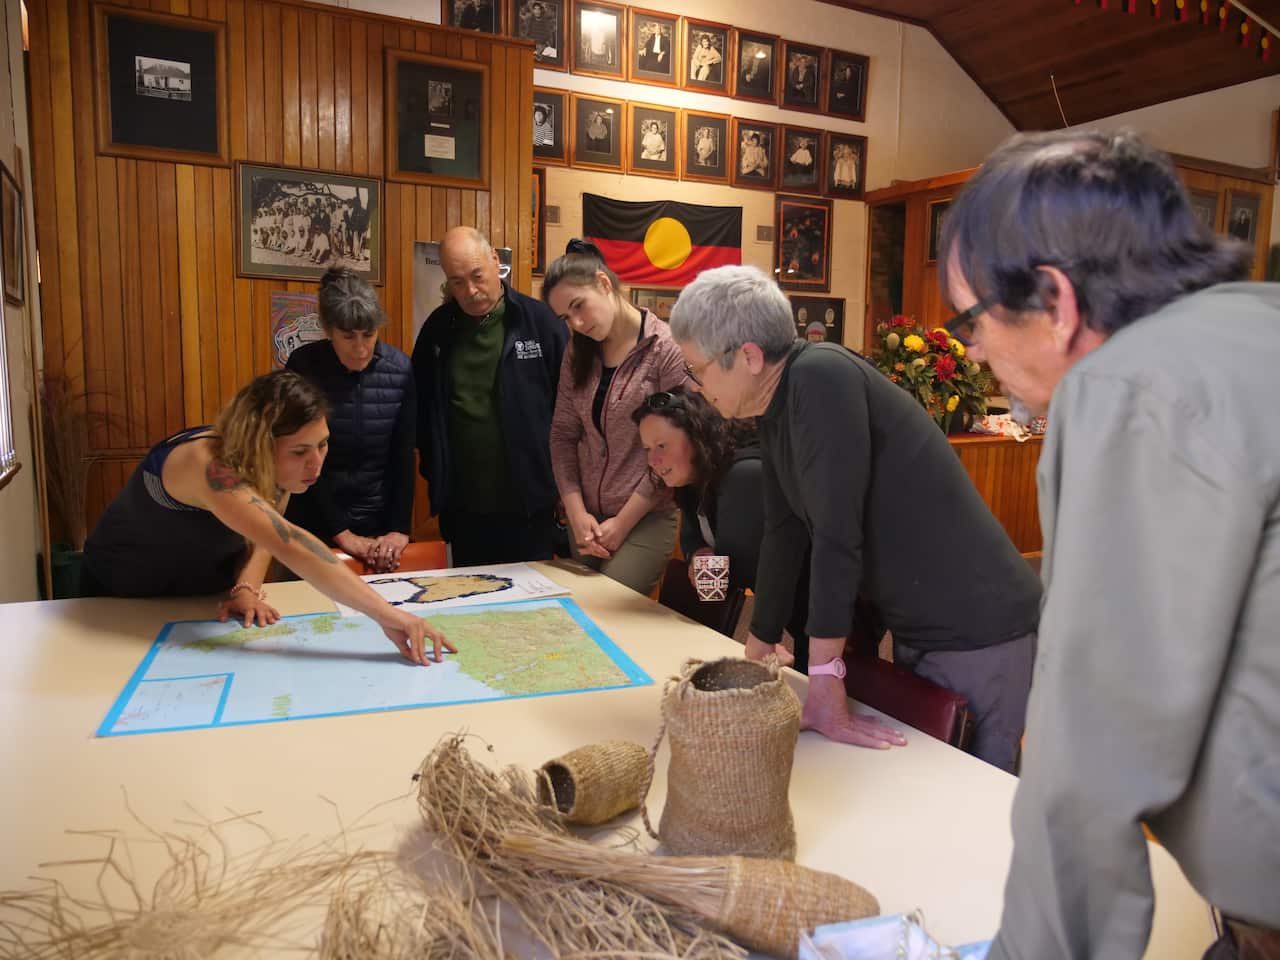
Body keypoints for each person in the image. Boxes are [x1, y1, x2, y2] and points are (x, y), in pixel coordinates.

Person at [939, 129, 1280, 959]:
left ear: (1054, 301)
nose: (972, 352)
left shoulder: (1131, 386)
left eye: (971, 321)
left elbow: (1088, 760)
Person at [668, 265, 1041, 773]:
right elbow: (785, 531)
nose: (695, 385)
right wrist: (754, 656)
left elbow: (834, 535)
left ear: (748, 357)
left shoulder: (821, 377)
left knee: (977, 799)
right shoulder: (776, 408)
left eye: (697, 368)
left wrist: (825, 675)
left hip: (978, 628)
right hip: (920, 626)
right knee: (928, 784)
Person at [81, 370, 450, 665]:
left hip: (194, 604)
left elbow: (264, 533)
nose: (316, 462)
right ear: (259, 443)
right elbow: (288, 541)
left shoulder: (278, 470)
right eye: (300, 451)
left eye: (322, 444)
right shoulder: (205, 466)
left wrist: (246, 588)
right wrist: (391, 616)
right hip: (116, 600)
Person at [412, 226, 568, 566]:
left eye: (477, 276)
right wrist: (435, 472)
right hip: (464, 509)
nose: (470, 291)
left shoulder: (539, 322)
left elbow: (570, 410)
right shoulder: (437, 331)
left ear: (495, 261)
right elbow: (422, 413)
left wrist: (562, 488)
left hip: (532, 505)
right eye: (456, 282)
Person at [544, 239, 686, 595]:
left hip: (645, 515)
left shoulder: (664, 348)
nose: (576, 323)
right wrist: (575, 512)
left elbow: (674, 449)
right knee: (572, 607)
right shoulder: (577, 352)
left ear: (604, 284)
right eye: (565, 317)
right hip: (588, 519)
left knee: (605, 605)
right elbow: (562, 435)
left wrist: (622, 523)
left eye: (579, 306)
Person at [633, 386, 811, 647]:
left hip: (828, 610)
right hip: (797, 615)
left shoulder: (744, 476)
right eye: (647, 448)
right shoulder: (695, 478)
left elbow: (744, 571)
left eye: (662, 445)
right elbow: (692, 535)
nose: (653, 460)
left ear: (696, 435)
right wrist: (698, 553)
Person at [284, 266, 414, 574]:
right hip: (312, 525)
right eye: (348, 337)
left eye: (369, 335)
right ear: (328, 331)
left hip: (378, 528)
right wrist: (340, 532)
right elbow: (300, 458)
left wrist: (399, 528)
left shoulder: (400, 369)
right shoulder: (303, 366)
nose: (360, 348)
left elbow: (403, 454)